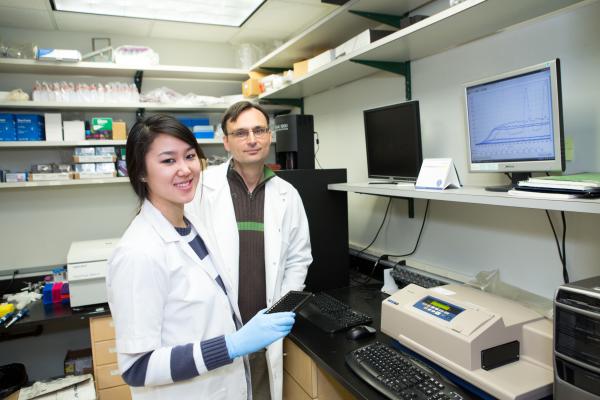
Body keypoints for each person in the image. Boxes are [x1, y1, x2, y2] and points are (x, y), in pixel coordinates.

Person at [106, 114, 296, 400]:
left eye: (190, 156)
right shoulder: (139, 252)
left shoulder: (193, 227)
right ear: (141, 171)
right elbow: (137, 368)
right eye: (168, 160)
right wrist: (232, 345)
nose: (185, 169)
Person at [186, 101, 312, 400]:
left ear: (269, 136)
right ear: (226, 141)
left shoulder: (288, 194)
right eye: (241, 133)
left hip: (262, 329)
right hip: (215, 330)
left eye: (259, 130)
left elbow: (299, 258)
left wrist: (280, 308)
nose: (252, 139)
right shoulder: (201, 188)